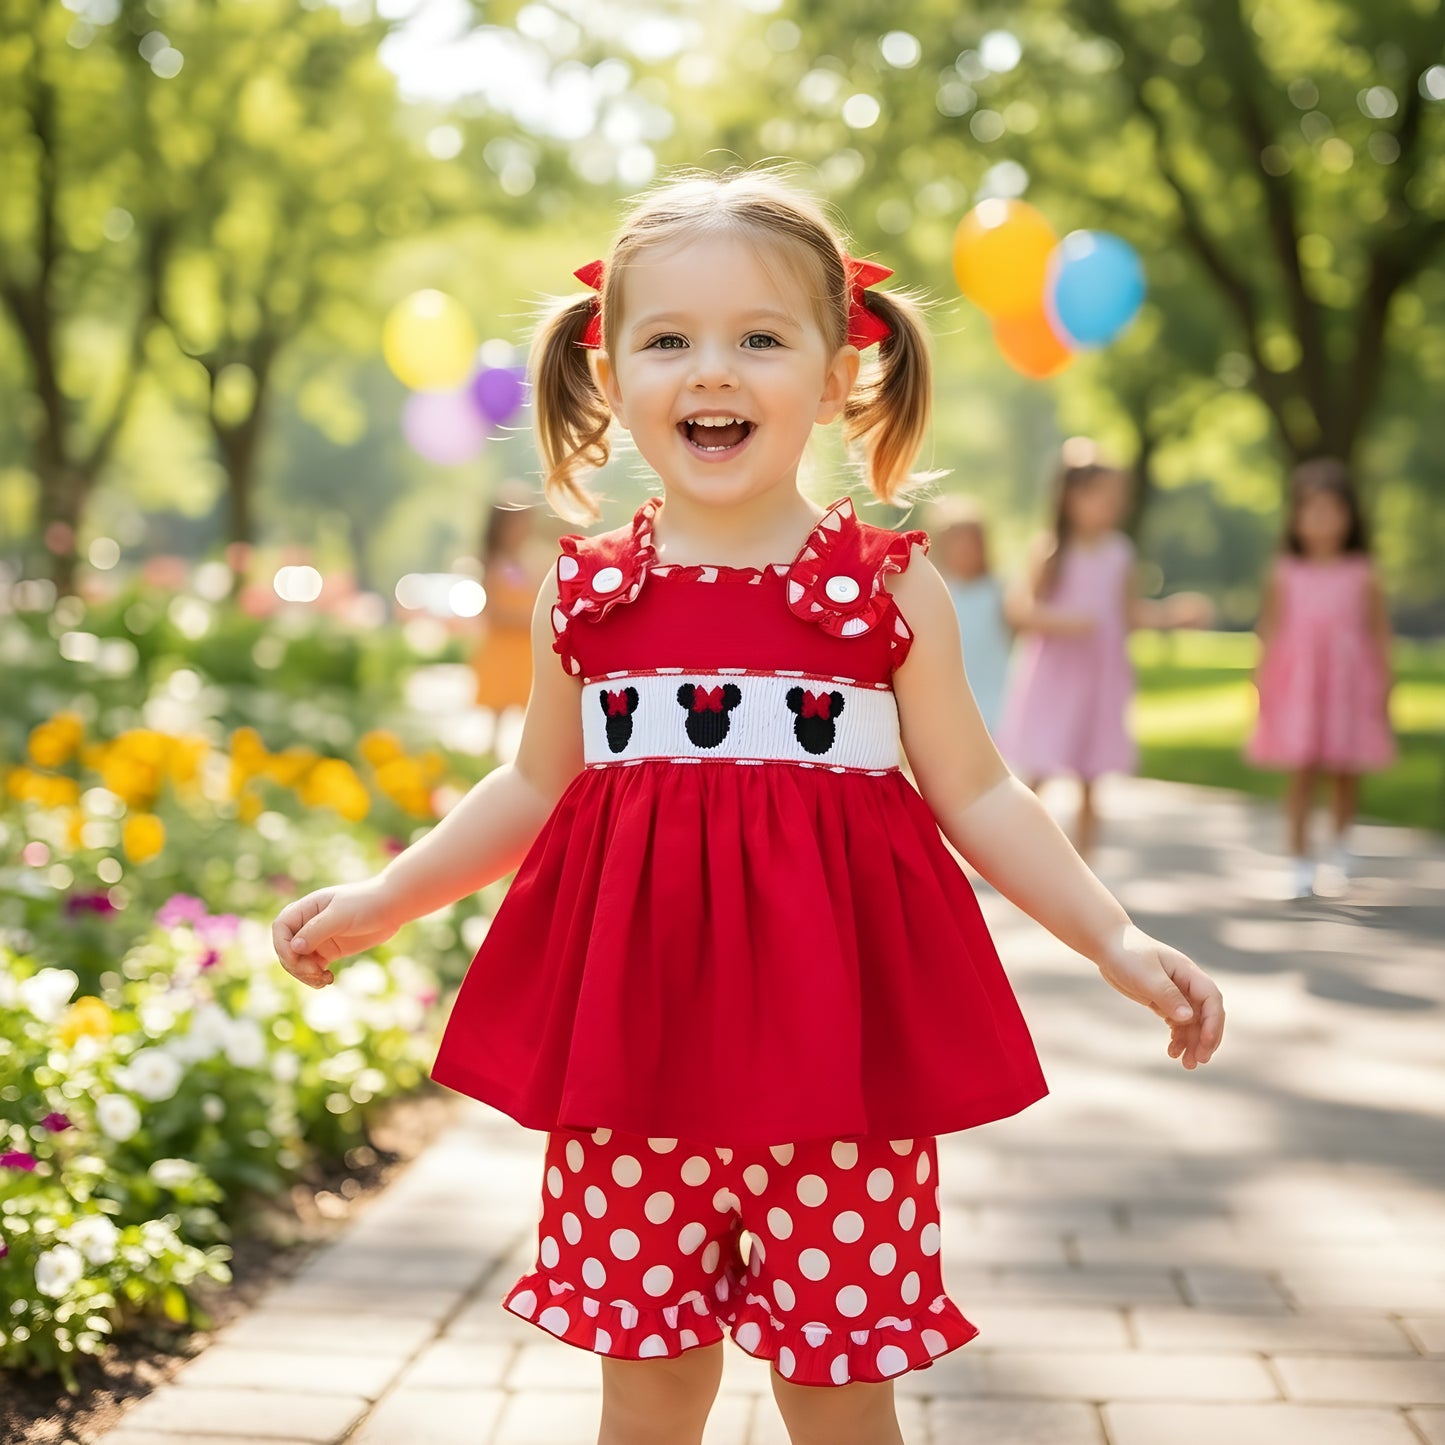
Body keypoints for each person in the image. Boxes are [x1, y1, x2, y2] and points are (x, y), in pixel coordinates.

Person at [272, 171, 1223, 1445]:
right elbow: (530, 784)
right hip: (635, 1074)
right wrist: (388, 896)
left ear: (836, 377)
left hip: (838, 1079)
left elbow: (979, 791)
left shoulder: (885, 592)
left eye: (758, 339)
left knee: (837, 1385)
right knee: (649, 1385)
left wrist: (1110, 936)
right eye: (667, 339)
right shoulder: (588, 598)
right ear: (608, 373)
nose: (709, 370)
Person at [996, 441, 1211, 858]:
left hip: (1100, 679)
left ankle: (1084, 866)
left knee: (1090, 778)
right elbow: (1019, 611)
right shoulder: (1051, 551)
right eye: (1102, 497)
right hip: (1056, 678)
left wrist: (1171, 616)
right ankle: (1014, 854)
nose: (1112, 507)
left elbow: (1130, 615)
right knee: (1038, 769)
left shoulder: (1120, 553)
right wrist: (1066, 621)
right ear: (1071, 497)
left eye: (1118, 499)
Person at [1247, 457, 1394, 899]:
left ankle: (1342, 842)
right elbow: (1269, 629)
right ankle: (1299, 858)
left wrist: (1385, 684)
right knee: (1303, 771)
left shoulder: (1363, 572)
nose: (1322, 520)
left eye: (1332, 509)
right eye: (1311, 510)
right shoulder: (1284, 572)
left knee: (1346, 768)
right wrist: (1260, 681)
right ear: (1295, 517)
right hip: (1299, 687)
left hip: (1348, 685)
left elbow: (1378, 632)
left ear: (1350, 516)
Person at [468, 481, 550, 718]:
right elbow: (494, 611)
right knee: (498, 708)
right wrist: (530, 619)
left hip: (527, 651)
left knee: (531, 709)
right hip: (502, 648)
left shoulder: (534, 560)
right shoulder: (492, 563)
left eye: (526, 520)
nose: (522, 528)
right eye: (515, 521)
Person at [931, 496, 1010, 733]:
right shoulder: (936, 590)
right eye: (956, 542)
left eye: (971, 542)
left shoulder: (998, 590)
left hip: (995, 691)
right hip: (949, 694)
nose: (964, 549)